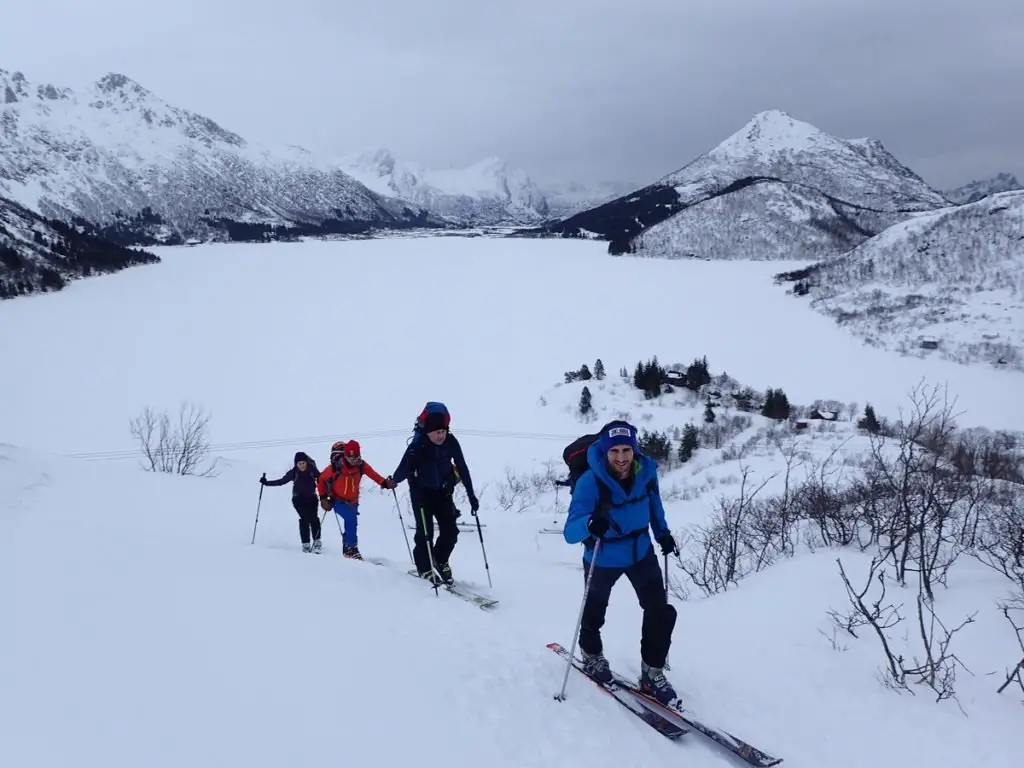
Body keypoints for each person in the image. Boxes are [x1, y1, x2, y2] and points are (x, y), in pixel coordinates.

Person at [562, 419, 679, 705]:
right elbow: (570, 531)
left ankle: (652, 671)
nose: (622, 457)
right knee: (595, 609)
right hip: (603, 555)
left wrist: (662, 533)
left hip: (640, 551)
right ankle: (591, 654)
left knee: (660, 611)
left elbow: (654, 505)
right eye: (615, 451)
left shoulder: (645, 472)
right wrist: (590, 523)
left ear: (634, 449)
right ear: (605, 451)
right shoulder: (591, 481)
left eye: (627, 450)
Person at [388, 402, 478, 585]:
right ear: (428, 431)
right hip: (422, 494)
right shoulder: (417, 446)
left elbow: (462, 467)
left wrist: (471, 496)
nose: (441, 436)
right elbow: (404, 468)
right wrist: (393, 481)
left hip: (443, 493)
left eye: (443, 431)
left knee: (450, 531)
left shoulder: (451, 442)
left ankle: (440, 558)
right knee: (425, 533)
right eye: (437, 432)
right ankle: (424, 566)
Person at [317, 440, 393, 559]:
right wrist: (322, 498)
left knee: (352, 523)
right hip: (337, 499)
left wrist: (384, 483)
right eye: (350, 456)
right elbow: (321, 480)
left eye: (356, 456)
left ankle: (349, 547)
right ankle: (350, 549)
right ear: (345, 455)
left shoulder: (362, 465)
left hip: (353, 501)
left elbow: (373, 474)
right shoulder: (335, 467)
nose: (353, 459)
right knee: (351, 520)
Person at [261, 451, 323, 553]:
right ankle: (306, 544)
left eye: (303, 463)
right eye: (299, 463)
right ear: (296, 464)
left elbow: (321, 477)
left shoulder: (312, 470)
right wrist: (266, 483)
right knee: (304, 519)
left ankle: (317, 542)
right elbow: (281, 481)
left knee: (314, 519)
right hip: (298, 500)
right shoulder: (293, 472)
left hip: (312, 499)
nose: (302, 465)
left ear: (306, 462)